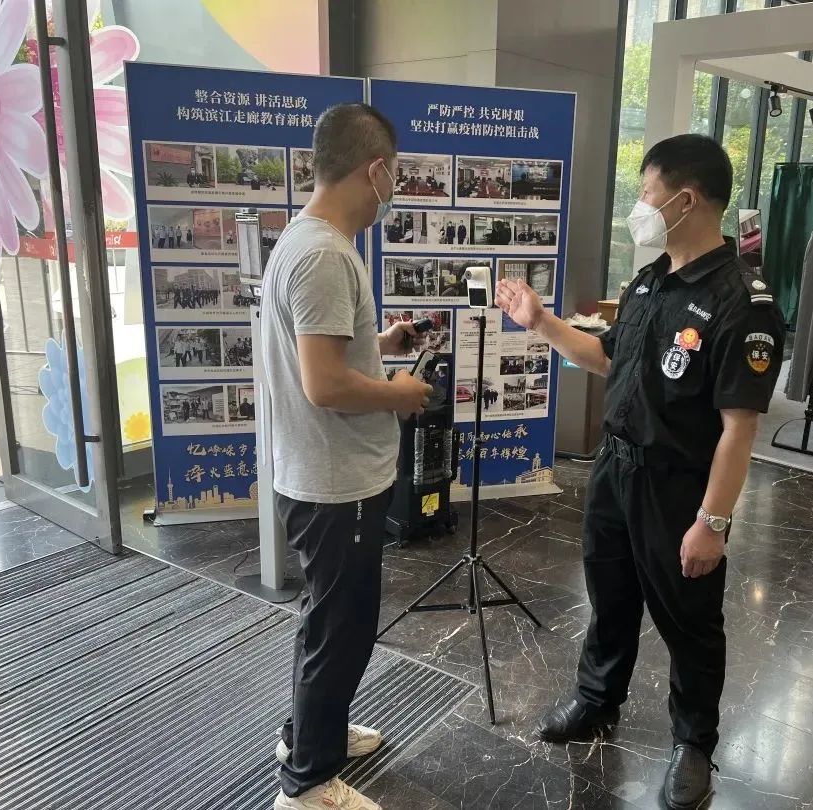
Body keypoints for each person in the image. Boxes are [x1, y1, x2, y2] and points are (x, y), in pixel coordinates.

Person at [496, 134, 784, 810]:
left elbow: (739, 427)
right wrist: (539, 321)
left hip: (679, 486)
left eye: (647, 193)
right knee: (611, 596)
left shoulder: (743, 302)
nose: (640, 207)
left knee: (690, 621)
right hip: (616, 469)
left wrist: (712, 522)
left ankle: (694, 743)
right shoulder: (651, 280)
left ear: (686, 200)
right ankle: (597, 699)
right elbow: (607, 358)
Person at [261, 102, 431, 810]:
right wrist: (401, 392)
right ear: (375, 169)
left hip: (319, 474)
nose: (395, 187)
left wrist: (378, 345)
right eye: (395, 174)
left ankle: (309, 734)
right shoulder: (327, 255)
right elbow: (325, 385)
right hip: (336, 484)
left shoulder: (303, 240)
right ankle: (307, 783)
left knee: (326, 619)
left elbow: (324, 353)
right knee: (341, 631)